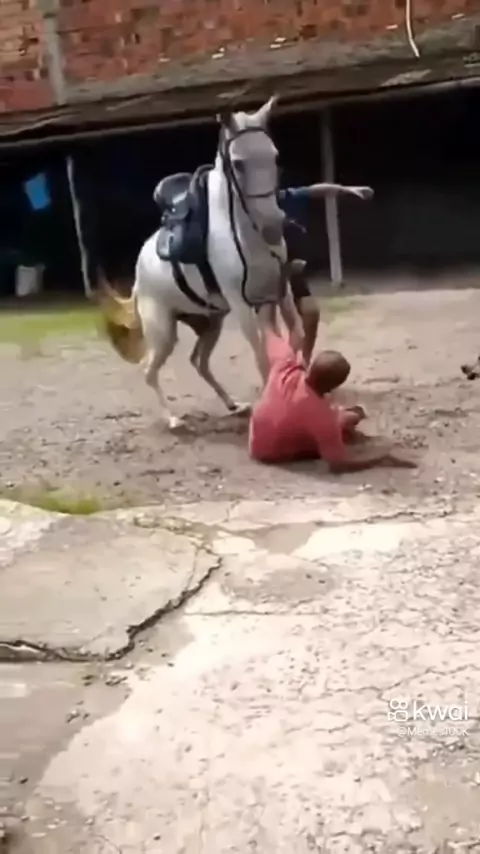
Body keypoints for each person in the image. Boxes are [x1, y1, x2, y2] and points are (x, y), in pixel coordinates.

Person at [249, 323, 417, 474]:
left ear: (311, 367)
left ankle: (347, 420)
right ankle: (348, 425)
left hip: (256, 441)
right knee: (350, 418)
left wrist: (268, 317)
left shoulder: (285, 366)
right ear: (333, 387)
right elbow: (338, 466)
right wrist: (379, 461)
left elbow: (269, 332)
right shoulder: (323, 418)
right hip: (272, 455)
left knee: (345, 417)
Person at [278, 183, 374, 364]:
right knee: (281, 325)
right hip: (264, 274)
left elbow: (319, 189)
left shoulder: (288, 197)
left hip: (292, 271)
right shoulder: (249, 207)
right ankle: (282, 367)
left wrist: (348, 190)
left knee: (311, 313)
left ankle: (303, 363)